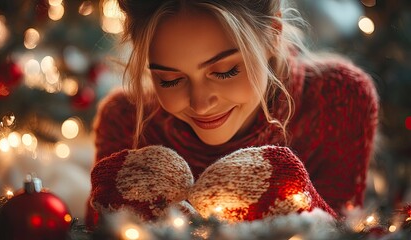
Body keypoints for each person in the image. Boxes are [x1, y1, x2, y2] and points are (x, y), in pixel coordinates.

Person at [86, 0, 379, 227]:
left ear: (272, 36)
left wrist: (296, 199)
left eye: (225, 71)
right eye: (170, 80)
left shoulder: (338, 99)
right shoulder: (126, 120)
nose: (200, 104)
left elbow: (346, 230)